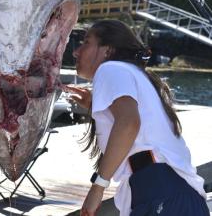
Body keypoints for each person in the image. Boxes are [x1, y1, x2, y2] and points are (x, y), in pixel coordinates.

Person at [67, 20, 209, 216]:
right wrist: (95, 105)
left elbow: (129, 124)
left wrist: (98, 187)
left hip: (159, 192)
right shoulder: (135, 74)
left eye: (86, 42)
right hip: (175, 194)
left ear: (107, 50)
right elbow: (140, 128)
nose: (76, 51)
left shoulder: (110, 69)